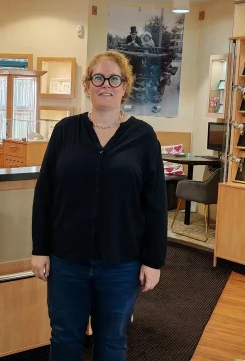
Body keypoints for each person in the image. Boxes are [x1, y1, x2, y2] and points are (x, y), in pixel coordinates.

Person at [31, 50, 167, 361]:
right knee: (64, 338)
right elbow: (45, 193)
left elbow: (156, 204)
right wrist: (41, 248)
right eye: (98, 77)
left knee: (112, 341)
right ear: (88, 84)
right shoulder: (65, 131)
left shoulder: (143, 137)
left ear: (124, 86)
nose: (106, 84)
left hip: (122, 264)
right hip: (67, 261)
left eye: (114, 78)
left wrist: (153, 260)